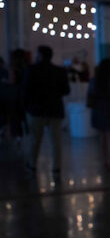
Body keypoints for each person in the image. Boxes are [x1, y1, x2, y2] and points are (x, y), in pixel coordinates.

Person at [23, 44, 70, 173]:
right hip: (55, 110)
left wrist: (26, 107)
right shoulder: (60, 71)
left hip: (36, 110)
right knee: (56, 142)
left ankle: (32, 164)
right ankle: (56, 167)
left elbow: (26, 90)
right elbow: (66, 90)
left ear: (40, 55)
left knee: (35, 140)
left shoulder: (31, 70)